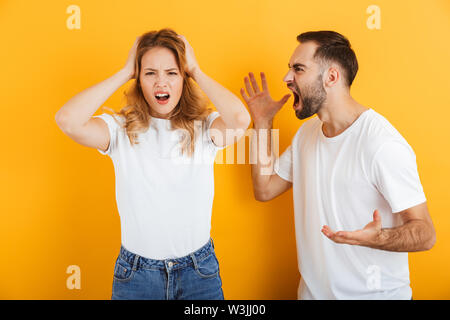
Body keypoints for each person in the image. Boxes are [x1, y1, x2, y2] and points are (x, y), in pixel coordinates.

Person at [55, 28, 250, 300]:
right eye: (150, 73)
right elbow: (67, 120)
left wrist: (195, 69)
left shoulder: (204, 128)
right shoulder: (120, 130)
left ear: (184, 78)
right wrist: (125, 71)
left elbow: (241, 119)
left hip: (198, 272)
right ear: (138, 80)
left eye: (172, 73)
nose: (162, 83)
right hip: (136, 275)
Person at [241, 30, 436, 300]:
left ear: (331, 76)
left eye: (298, 69)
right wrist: (262, 122)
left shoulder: (381, 144)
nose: (286, 79)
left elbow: (425, 234)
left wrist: (376, 238)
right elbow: (264, 189)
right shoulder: (307, 135)